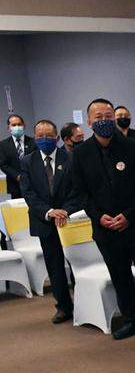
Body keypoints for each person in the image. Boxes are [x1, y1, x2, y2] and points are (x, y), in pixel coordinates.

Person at [65, 97, 135, 340]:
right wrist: (98, 215)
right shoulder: (81, 153)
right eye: (98, 118)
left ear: (114, 118)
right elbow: (80, 192)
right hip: (105, 228)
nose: (104, 121)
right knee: (119, 274)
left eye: (108, 116)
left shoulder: (133, 147)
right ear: (88, 121)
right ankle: (131, 319)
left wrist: (127, 215)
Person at [19, 119, 73, 323]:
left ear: (57, 137)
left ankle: (85, 302)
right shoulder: (27, 161)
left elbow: (77, 189)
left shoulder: (69, 158)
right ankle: (63, 306)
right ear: (34, 137)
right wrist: (50, 212)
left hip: (69, 220)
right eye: (40, 136)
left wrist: (65, 211)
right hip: (45, 221)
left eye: (48, 136)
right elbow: (29, 194)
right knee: (55, 265)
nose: (44, 139)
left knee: (76, 263)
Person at [1, 114, 35, 198]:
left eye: (19, 124)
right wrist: (17, 176)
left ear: (24, 126)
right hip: (15, 185)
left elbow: (37, 160)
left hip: (33, 183)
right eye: (14, 125)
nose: (17, 127)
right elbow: (3, 164)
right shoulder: (3, 145)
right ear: (8, 128)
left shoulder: (33, 142)